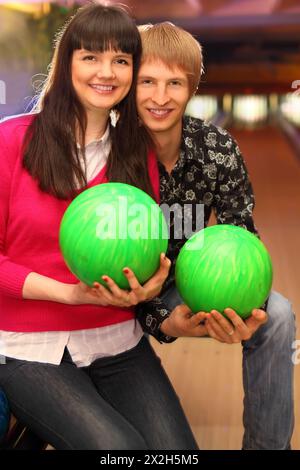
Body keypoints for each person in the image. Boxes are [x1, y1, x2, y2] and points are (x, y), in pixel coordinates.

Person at [0, 5, 198, 450]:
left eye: (121, 60)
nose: (105, 71)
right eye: (90, 56)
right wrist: (67, 293)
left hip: (116, 342)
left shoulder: (135, 153)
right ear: (67, 60)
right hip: (30, 350)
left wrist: (150, 284)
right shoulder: (11, 140)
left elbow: (142, 249)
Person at [135, 22, 296, 450]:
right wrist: (163, 320)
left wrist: (242, 299)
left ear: (192, 88)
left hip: (195, 280)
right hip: (128, 288)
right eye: (147, 81)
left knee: (277, 316)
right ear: (130, 84)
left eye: (174, 83)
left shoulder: (216, 146)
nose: (160, 96)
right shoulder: (113, 154)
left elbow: (240, 230)